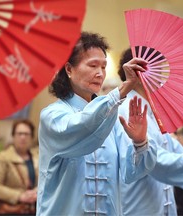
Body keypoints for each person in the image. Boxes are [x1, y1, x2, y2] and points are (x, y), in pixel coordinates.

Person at [36, 32, 157, 216]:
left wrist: (140, 142)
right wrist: (122, 90)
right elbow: (82, 126)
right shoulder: (52, 115)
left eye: (104, 66)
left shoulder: (112, 118)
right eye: (93, 65)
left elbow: (131, 173)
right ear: (69, 69)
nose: (100, 73)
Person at [117, 48, 183, 216]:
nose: (162, 78)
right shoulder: (127, 110)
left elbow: (176, 154)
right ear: (140, 72)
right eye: (157, 69)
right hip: (138, 208)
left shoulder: (153, 114)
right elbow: (156, 162)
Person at [0, 119, 38, 214]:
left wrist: (36, 192)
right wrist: (20, 195)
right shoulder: (3, 158)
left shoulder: (37, 157)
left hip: (31, 210)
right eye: (19, 133)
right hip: (8, 210)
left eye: (26, 134)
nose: (23, 137)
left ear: (32, 137)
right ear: (13, 136)